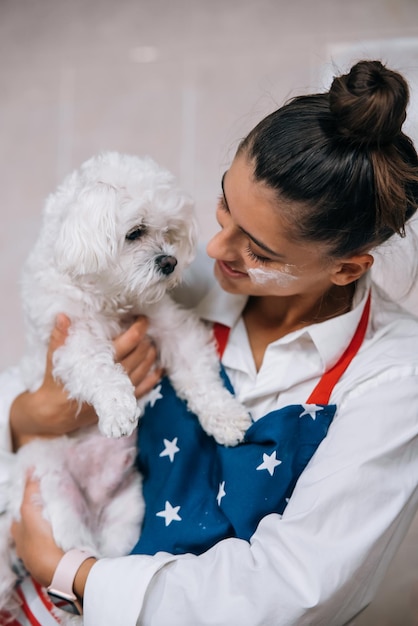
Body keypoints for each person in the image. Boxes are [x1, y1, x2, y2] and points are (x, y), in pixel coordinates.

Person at [2, 58, 418, 625]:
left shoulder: (393, 379)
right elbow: (36, 379)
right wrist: (29, 417)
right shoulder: (181, 280)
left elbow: (288, 590)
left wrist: (69, 569)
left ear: (346, 268)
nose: (216, 249)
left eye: (259, 251)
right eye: (225, 203)